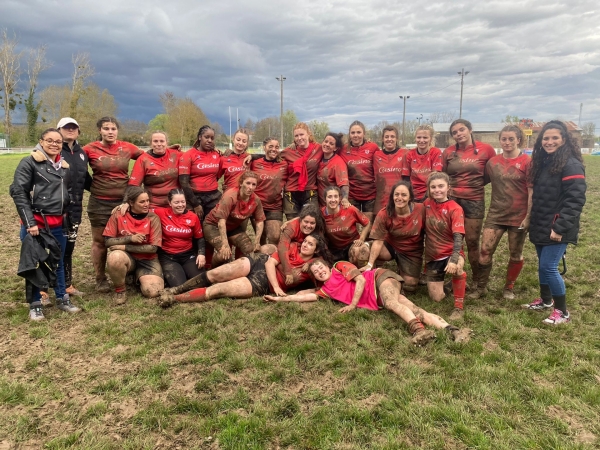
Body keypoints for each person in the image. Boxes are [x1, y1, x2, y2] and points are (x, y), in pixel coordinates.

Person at [264, 260, 471, 346]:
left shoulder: (338, 267)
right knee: (413, 308)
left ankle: (418, 330)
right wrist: (281, 298)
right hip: (378, 296)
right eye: (316, 271)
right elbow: (303, 297)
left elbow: (361, 279)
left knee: (391, 302)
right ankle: (452, 330)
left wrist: (353, 305)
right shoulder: (324, 290)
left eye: (320, 266)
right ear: (316, 277)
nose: (320, 270)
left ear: (326, 265)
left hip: (379, 278)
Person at [10, 128, 81, 320]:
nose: (54, 144)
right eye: (49, 140)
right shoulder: (29, 162)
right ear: (41, 142)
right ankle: (35, 304)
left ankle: (62, 297)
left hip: (58, 224)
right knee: (34, 264)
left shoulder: (63, 166)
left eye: (58, 141)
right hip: (37, 224)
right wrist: (29, 222)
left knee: (57, 261)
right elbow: (18, 192)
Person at [522, 120, 586, 325]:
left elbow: (575, 200)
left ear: (564, 139)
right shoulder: (545, 162)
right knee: (542, 266)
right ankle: (546, 300)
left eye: (554, 138)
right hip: (541, 222)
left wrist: (559, 228)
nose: (549, 142)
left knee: (549, 267)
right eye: (546, 138)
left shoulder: (571, 164)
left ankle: (562, 312)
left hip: (557, 227)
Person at [157, 233, 331, 305]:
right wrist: (278, 288)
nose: (305, 245)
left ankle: (174, 299)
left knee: (219, 290)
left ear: (316, 249)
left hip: (263, 284)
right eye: (305, 242)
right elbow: (270, 263)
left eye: (310, 244)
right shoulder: (291, 247)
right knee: (216, 273)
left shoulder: (316, 264)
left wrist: (300, 292)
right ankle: (175, 289)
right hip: (260, 262)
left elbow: (325, 284)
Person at [469, 125, 532, 300]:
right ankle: (481, 287)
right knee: (485, 251)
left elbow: (533, 191)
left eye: (511, 139)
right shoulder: (492, 163)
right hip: (495, 215)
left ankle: (509, 288)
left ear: (518, 139)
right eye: (504, 139)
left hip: (518, 216)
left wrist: (529, 216)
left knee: (515, 253)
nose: (507, 142)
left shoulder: (527, 162)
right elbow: (479, 182)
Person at [84, 116, 144, 293]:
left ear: (117, 130)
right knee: (100, 241)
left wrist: (168, 150)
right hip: (99, 202)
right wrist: (93, 187)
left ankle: (130, 273)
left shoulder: (127, 147)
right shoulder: (89, 149)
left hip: (125, 201)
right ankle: (100, 278)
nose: (110, 132)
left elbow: (148, 157)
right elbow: (75, 164)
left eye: (113, 128)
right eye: (106, 128)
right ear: (99, 131)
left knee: (130, 237)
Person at [442, 119, 496, 287]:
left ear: (470, 129)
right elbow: (443, 175)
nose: (459, 134)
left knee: (472, 241)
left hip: (474, 200)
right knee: (452, 240)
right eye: (455, 132)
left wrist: (474, 185)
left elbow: (490, 174)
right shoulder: (449, 152)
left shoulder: (486, 149)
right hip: (452, 201)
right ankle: (455, 275)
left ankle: (477, 280)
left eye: (461, 130)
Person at [103, 186, 163, 304]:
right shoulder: (118, 215)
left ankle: (135, 277)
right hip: (128, 258)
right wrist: (130, 238)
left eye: (147, 201)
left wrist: (125, 246)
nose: (146, 204)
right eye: (142, 202)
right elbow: (108, 242)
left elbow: (153, 248)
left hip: (148, 260)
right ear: (131, 203)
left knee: (153, 292)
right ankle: (120, 290)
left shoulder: (153, 218)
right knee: (115, 257)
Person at [365, 181, 425, 293]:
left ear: (410, 197)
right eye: (396, 194)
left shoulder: (421, 209)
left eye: (404, 195)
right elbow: (378, 241)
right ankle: (371, 276)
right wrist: (369, 263)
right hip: (390, 246)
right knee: (360, 251)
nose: (399, 198)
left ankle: (402, 272)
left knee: (410, 286)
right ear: (392, 196)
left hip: (411, 252)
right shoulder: (384, 213)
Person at [423, 172, 467, 320]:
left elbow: (458, 236)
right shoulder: (426, 204)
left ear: (448, 188)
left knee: (458, 268)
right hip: (433, 255)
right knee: (436, 298)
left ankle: (458, 307)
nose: (437, 190)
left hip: (451, 252)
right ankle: (449, 286)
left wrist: (455, 258)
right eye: (433, 187)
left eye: (441, 186)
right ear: (429, 189)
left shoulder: (455, 208)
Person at [202, 171, 266, 267]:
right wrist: (225, 244)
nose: (250, 187)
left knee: (249, 248)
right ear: (241, 183)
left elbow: (260, 221)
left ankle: (242, 271)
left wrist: (257, 241)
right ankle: (212, 268)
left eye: (254, 184)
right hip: (213, 225)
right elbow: (221, 222)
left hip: (232, 227)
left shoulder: (255, 199)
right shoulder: (230, 196)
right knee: (226, 255)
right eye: (248, 183)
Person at [57, 117, 90, 298]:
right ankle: (43, 290)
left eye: (74, 127)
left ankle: (67, 284)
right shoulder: (53, 150)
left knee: (69, 249)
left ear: (78, 131)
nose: (70, 130)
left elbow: (85, 179)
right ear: (59, 130)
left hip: (75, 210)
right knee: (51, 249)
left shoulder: (81, 153)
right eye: (66, 127)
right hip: (55, 211)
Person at [154, 189, 205, 288]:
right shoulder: (160, 212)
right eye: (176, 202)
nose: (180, 205)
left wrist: (201, 254)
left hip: (187, 255)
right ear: (169, 203)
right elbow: (142, 210)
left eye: (183, 202)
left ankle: (186, 272)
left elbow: (200, 238)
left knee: (201, 283)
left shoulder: (193, 217)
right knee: (180, 286)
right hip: (168, 257)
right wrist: (124, 205)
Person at [178, 125, 222, 221]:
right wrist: (196, 204)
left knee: (213, 226)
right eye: (206, 137)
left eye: (212, 138)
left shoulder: (217, 154)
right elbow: (184, 183)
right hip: (194, 197)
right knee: (195, 227)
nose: (209, 140)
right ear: (199, 137)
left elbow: (217, 176)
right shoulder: (188, 155)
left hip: (214, 197)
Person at [338, 120, 379, 222]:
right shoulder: (343, 149)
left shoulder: (373, 147)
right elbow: (328, 149)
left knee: (369, 225)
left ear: (364, 133)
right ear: (349, 134)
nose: (356, 135)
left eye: (358, 132)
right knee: (352, 225)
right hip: (351, 195)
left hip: (370, 195)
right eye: (353, 133)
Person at [250, 137, 288, 245]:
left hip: (275, 206)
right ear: (264, 148)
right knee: (261, 238)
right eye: (270, 146)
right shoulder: (255, 163)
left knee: (275, 237)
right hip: (257, 206)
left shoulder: (284, 164)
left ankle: (273, 260)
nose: (274, 149)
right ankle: (262, 260)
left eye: (276, 147)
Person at [281, 122, 323, 219]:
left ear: (308, 134)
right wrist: (251, 156)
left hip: (310, 192)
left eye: (302, 134)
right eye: (296, 136)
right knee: (293, 226)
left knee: (311, 222)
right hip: (291, 193)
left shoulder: (318, 148)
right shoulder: (288, 151)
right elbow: (272, 156)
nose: (299, 138)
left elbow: (334, 149)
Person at [129, 131, 181, 209]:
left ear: (167, 143)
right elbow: (134, 185)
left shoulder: (176, 154)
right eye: (155, 141)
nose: (159, 144)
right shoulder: (143, 159)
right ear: (150, 143)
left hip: (176, 204)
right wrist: (126, 202)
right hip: (154, 205)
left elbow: (193, 156)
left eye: (162, 141)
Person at [277, 203, 325, 287]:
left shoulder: (317, 230)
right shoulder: (291, 227)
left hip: (304, 260)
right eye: (306, 222)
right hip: (289, 255)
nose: (308, 226)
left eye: (312, 223)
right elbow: (282, 248)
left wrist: (311, 262)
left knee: (297, 276)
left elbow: (323, 252)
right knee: (268, 249)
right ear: (300, 220)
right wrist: (287, 271)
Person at [321, 186, 371, 266]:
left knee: (359, 251)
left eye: (336, 196)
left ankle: (363, 272)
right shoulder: (321, 214)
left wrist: (361, 239)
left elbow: (367, 223)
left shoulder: (349, 209)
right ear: (325, 199)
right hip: (334, 249)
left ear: (340, 198)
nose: (333, 200)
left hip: (352, 244)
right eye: (329, 197)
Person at [401, 124, 443, 202]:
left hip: (430, 194)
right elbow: (406, 178)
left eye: (425, 137)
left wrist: (428, 196)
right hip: (414, 194)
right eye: (419, 137)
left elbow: (435, 177)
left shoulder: (435, 152)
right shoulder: (409, 154)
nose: (421, 140)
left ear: (430, 139)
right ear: (415, 138)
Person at [373, 125, 406, 212]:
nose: (389, 139)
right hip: (381, 200)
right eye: (386, 137)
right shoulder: (376, 155)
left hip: (399, 199)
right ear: (382, 139)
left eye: (392, 136)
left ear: (397, 139)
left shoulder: (405, 153)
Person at [316, 132, 349, 207]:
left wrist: (345, 198)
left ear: (336, 148)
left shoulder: (338, 163)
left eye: (331, 144)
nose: (327, 144)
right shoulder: (319, 157)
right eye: (326, 141)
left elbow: (344, 184)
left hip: (333, 205)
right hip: (320, 204)